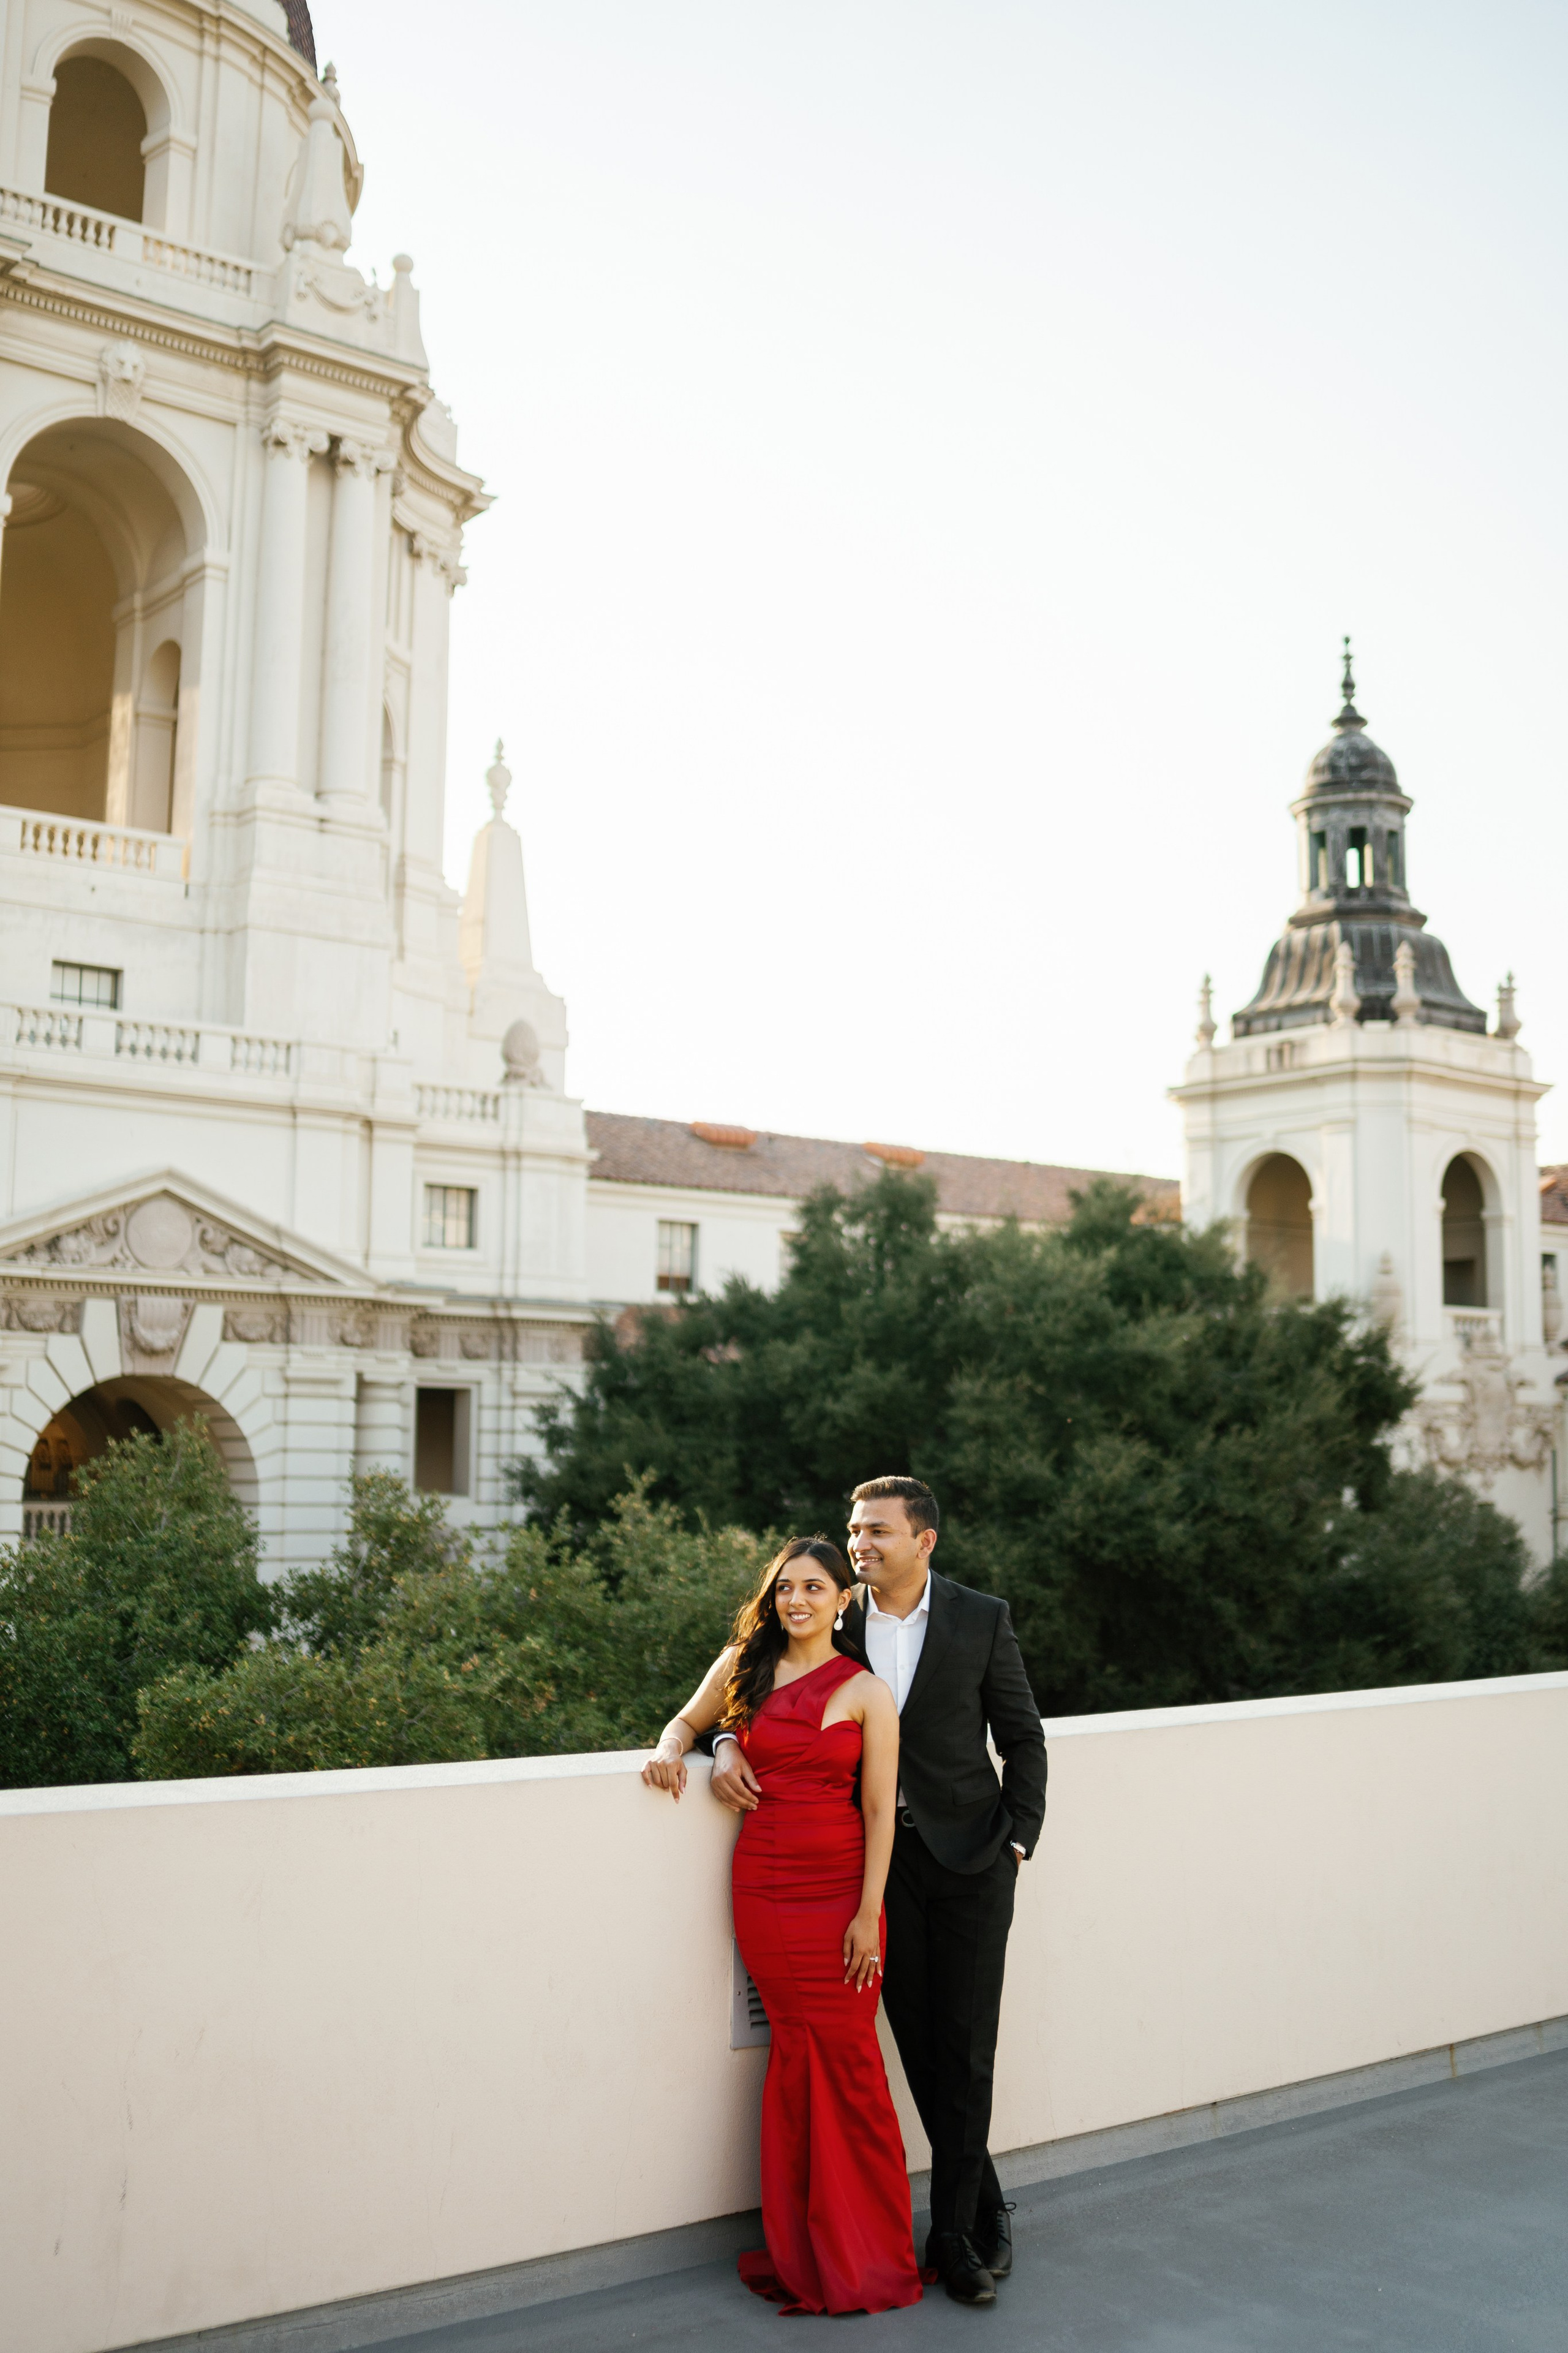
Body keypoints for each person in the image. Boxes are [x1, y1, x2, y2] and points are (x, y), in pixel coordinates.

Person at [710, 1476, 1047, 2310]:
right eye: (855, 1531)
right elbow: (753, 1681)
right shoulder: (832, 1610)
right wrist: (722, 1740)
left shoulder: (980, 1616)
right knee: (909, 2045)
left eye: (878, 1533)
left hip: (970, 1861)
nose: (860, 1544)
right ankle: (979, 2208)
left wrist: (1016, 1839)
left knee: (964, 2044)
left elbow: (1023, 1736)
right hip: (866, 1866)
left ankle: (958, 2235)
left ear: (923, 1540)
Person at [642, 1536, 924, 2317]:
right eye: (783, 1588)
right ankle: (808, 2248)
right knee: (798, 2054)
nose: (795, 1600)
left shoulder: (868, 1691)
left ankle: (864, 2249)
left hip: (842, 1892)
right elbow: (684, 1723)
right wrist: (678, 1750)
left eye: (813, 1587)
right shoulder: (744, 1664)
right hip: (766, 1885)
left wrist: (869, 1912)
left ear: (843, 1598)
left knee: (852, 2060)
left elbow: (878, 1810)